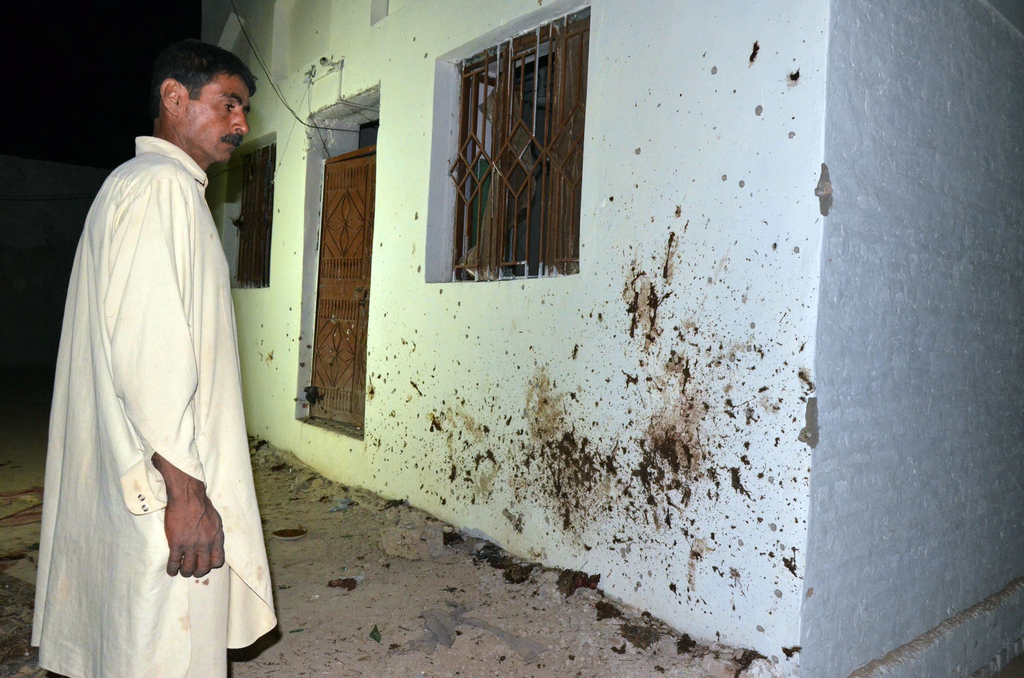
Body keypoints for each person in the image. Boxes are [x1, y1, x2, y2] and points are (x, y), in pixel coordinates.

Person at [32, 40, 276, 678]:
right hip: (161, 489)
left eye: (243, 109)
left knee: (131, 643)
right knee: (164, 648)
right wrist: (187, 495)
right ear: (175, 99)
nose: (242, 124)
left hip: (143, 479)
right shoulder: (162, 189)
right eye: (229, 104)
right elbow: (152, 355)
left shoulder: (140, 186)